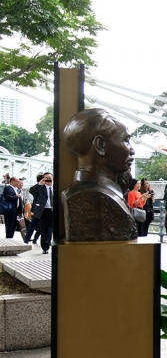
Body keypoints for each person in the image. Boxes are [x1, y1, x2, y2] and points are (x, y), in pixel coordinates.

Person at [60, 108, 137, 242]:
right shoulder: (90, 198)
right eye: (125, 140)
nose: (132, 151)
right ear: (100, 145)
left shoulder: (103, 193)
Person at [28, 173, 54, 253]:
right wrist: (40, 183)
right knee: (44, 230)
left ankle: (55, 245)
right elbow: (31, 191)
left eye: (49, 178)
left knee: (56, 230)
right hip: (45, 211)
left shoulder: (57, 187)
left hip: (55, 211)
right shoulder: (40, 188)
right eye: (46, 178)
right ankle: (45, 248)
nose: (48, 179)